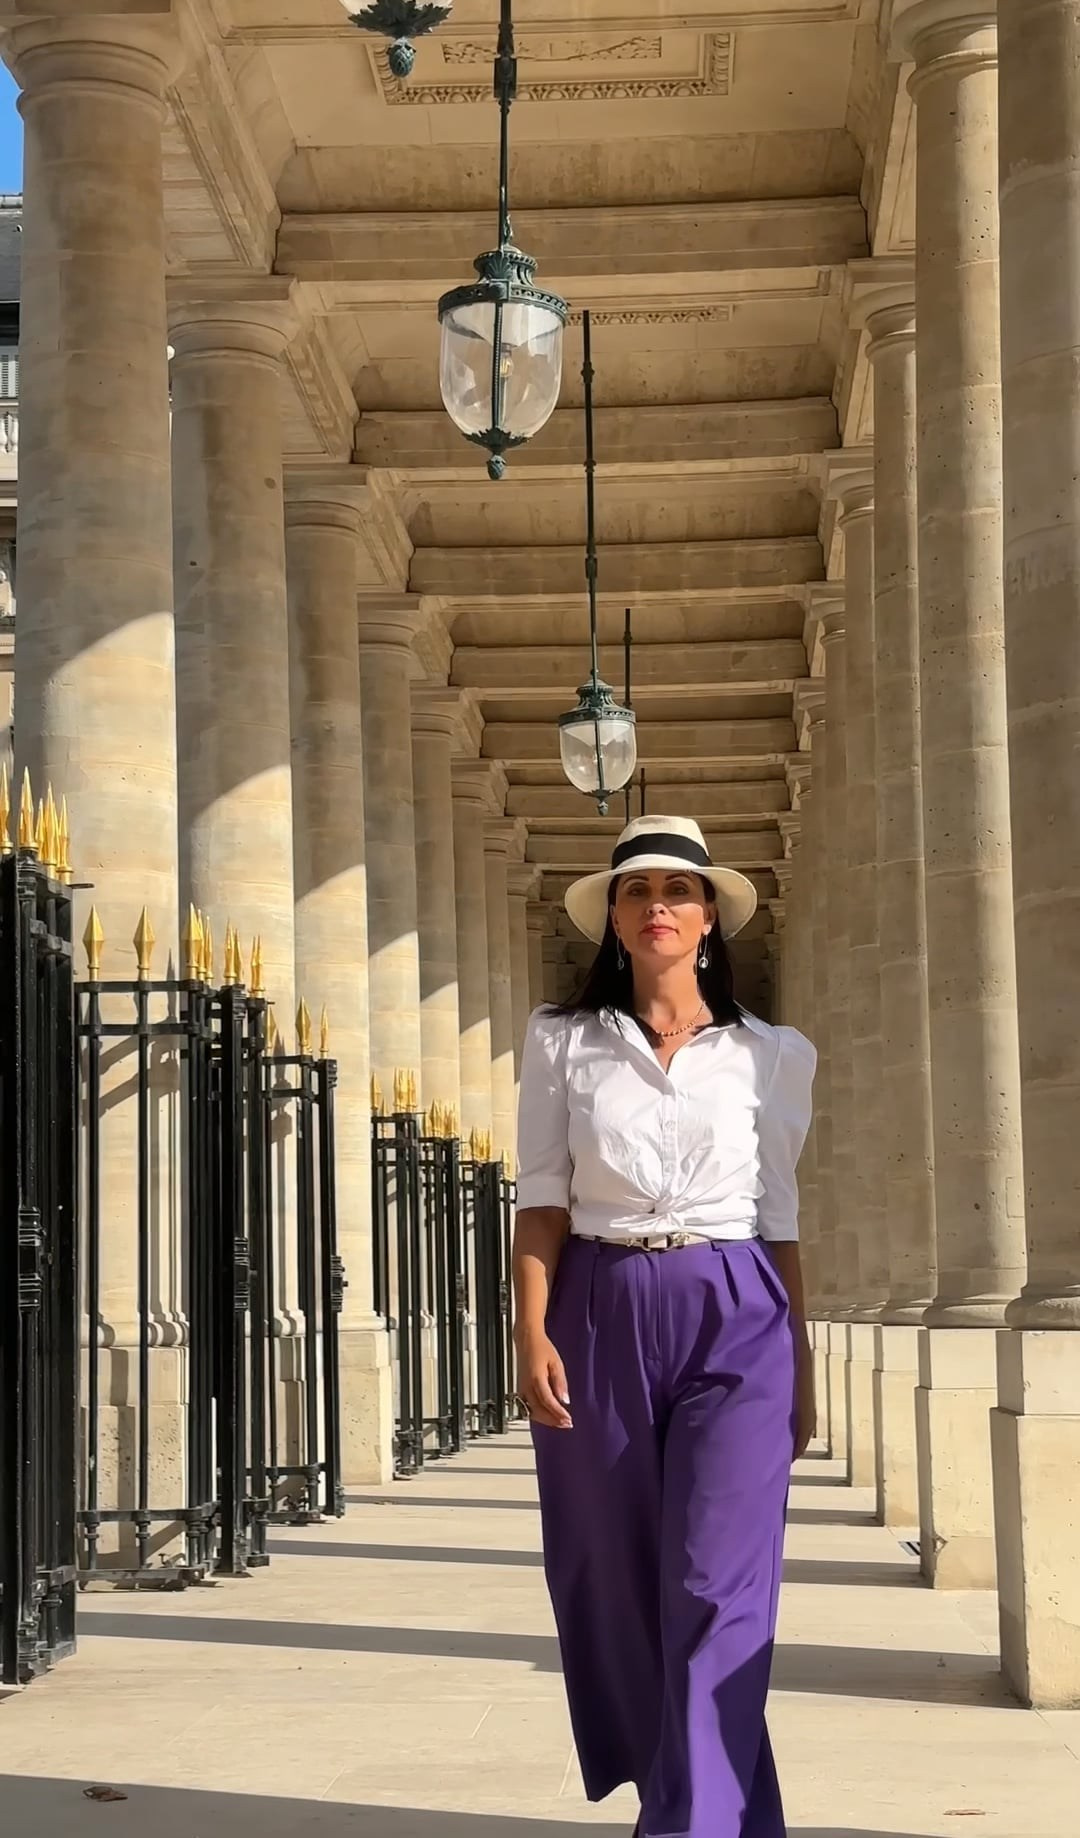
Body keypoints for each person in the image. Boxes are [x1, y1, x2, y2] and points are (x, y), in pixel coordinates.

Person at [512, 815, 817, 1838]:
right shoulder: (560, 1040)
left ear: (708, 921)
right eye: (635, 890)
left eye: (676, 892)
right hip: (599, 1305)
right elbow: (543, 1196)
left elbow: (779, 1216)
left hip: (737, 1310)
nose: (656, 907)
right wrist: (531, 1326)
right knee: (608, 1573)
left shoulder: (774, 1055)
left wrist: (803, 1365)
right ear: (612, 919)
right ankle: (708, 1798)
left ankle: (690, 1822)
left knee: (715, 1580)